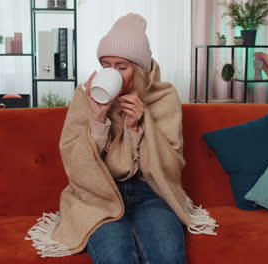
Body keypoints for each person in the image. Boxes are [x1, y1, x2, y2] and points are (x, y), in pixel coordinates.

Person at [26, 13, 217, 264]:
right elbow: (75, 166)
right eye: (106, 65)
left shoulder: (164, 97)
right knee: (116, 257)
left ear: (140, 69)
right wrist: (98, 119)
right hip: (98, 195)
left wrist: (139, 124)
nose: (111, 73)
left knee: (168, 256)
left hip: (152, 193)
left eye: (121, 67)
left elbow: (171, 167)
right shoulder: (86, 97)